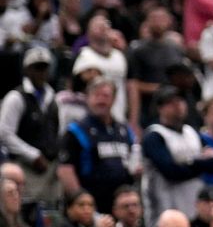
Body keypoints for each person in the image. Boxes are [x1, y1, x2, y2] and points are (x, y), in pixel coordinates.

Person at [140, 86, 213, 224]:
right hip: (165, 208)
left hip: (194, 207)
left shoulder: (191, 132)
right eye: (171, 102)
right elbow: (171, 172)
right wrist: (200, 163)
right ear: (160, 108)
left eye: (180, 100)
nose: (177, 105)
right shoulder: (154, 135)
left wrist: (189, 164)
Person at [56, 77, 137, 213]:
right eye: (96, 95)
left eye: (105, 96)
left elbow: (133, 162)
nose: (101, 100)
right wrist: (84, 205)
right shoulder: (76, 131)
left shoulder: (125, 130)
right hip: (92, 206)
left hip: (122, 206)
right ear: (87, 98)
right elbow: (65, 170)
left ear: (114, 99)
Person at [0, 46, 61, 207]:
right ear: (27, 70)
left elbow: (56, 130)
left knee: (50, 209)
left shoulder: (53, 98)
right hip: (25, 166)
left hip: (50, 165)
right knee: (27, 207)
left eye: (44, 68)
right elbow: (5, 133)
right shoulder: (16, 97)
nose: (42, 73)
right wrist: (32, 155)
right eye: (37, 68)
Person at [125, 7, 185, 131]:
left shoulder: (176, 49)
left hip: (172, 108)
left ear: (169, 21)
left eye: (162, 18)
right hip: (148, 109)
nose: (158, 22)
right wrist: (134, 121)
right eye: (154, 18)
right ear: (147, 22)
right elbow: (133, 85)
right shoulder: (138, 50)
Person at [72, 14, 129, 121]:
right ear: (88, 33)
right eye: (98, 26)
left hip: (119, 115)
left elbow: (126, 85)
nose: (102, 28)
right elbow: (77, 88)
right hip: (92, 117)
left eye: (105, 25)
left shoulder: (119, 55)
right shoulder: (85, 55)